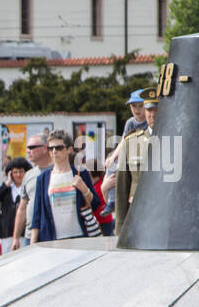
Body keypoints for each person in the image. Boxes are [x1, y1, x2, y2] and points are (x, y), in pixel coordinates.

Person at [30, 130, 100, 244]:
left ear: (69, 149)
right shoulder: (42, 179)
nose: (54, 151)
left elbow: (96, 204)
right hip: (51, 239)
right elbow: (36, 217)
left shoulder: (80, 173)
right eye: (51, 148)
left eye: (59, 148)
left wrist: (84, 189)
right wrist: (32, 246)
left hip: (79, 237)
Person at [107, 87, 158, 236]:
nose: (152, 115)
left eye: (156, 110)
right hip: (138, 217)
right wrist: (120, 228)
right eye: (149, 110)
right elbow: (122, 187)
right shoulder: (131, 142)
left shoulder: (177, 141)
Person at [11, 134, 52, 251]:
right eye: (27, 148)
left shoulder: (57, 170)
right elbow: (22, 207)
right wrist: (16, 237)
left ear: (45, 148)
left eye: (32, 147)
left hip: (51, 233)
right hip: (30, 234)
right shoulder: (29, 175)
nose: (28, 151)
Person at [0, 158, 31, 256]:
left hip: (24, 232)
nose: (18, 175)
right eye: (15, 172)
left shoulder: (29, 187)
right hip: (7, 232)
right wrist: (7, 183)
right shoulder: (7, 189)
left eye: (21, 171)